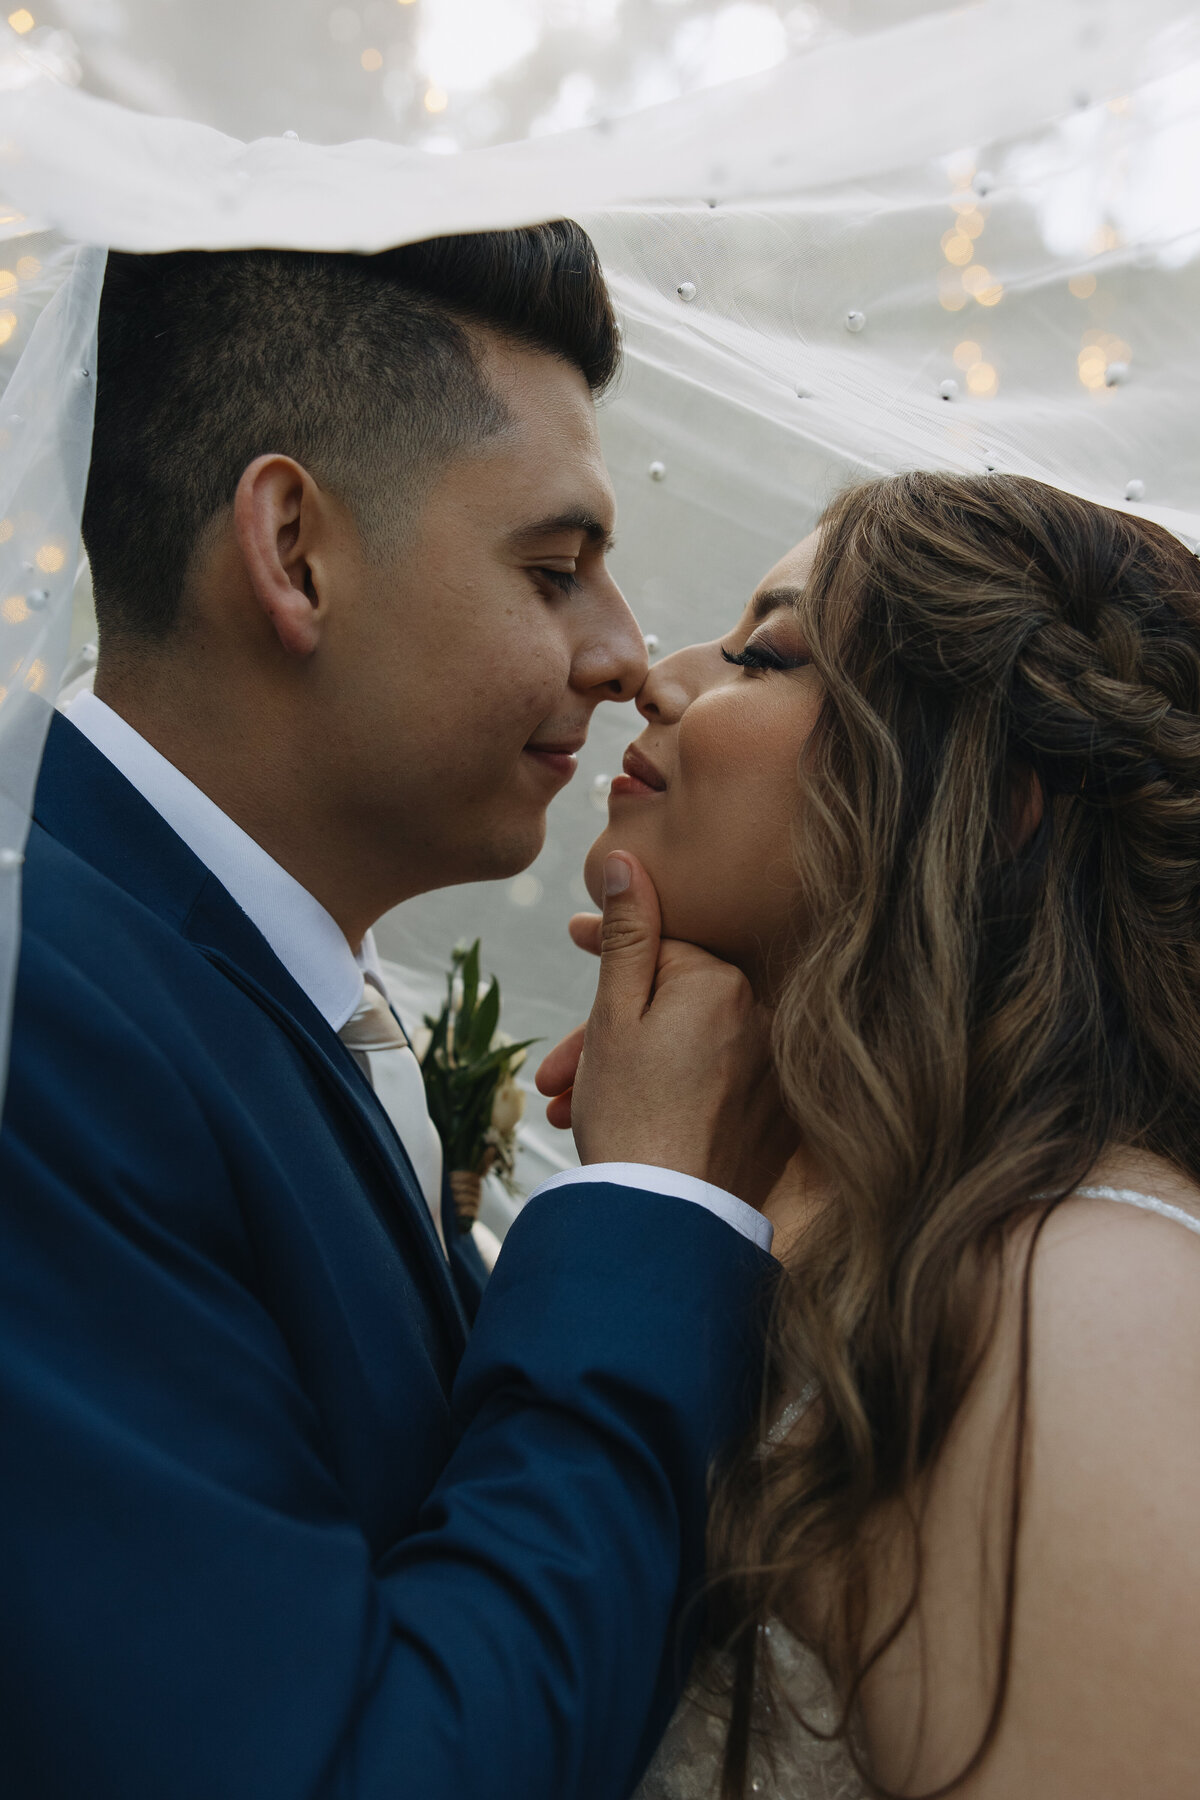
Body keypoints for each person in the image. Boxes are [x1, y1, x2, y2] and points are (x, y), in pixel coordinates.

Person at [0, 226, 789, 1800]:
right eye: (553, 571)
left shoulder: (227, 974)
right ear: (294, 550)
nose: (626, 654)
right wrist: (650, 1206)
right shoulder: (41, 1025)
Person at [541, 471, 1200, 1798]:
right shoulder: (858, 1256)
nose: (654, 680)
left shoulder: (1072, 1301)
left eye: (768, 652)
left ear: (1000, 801)